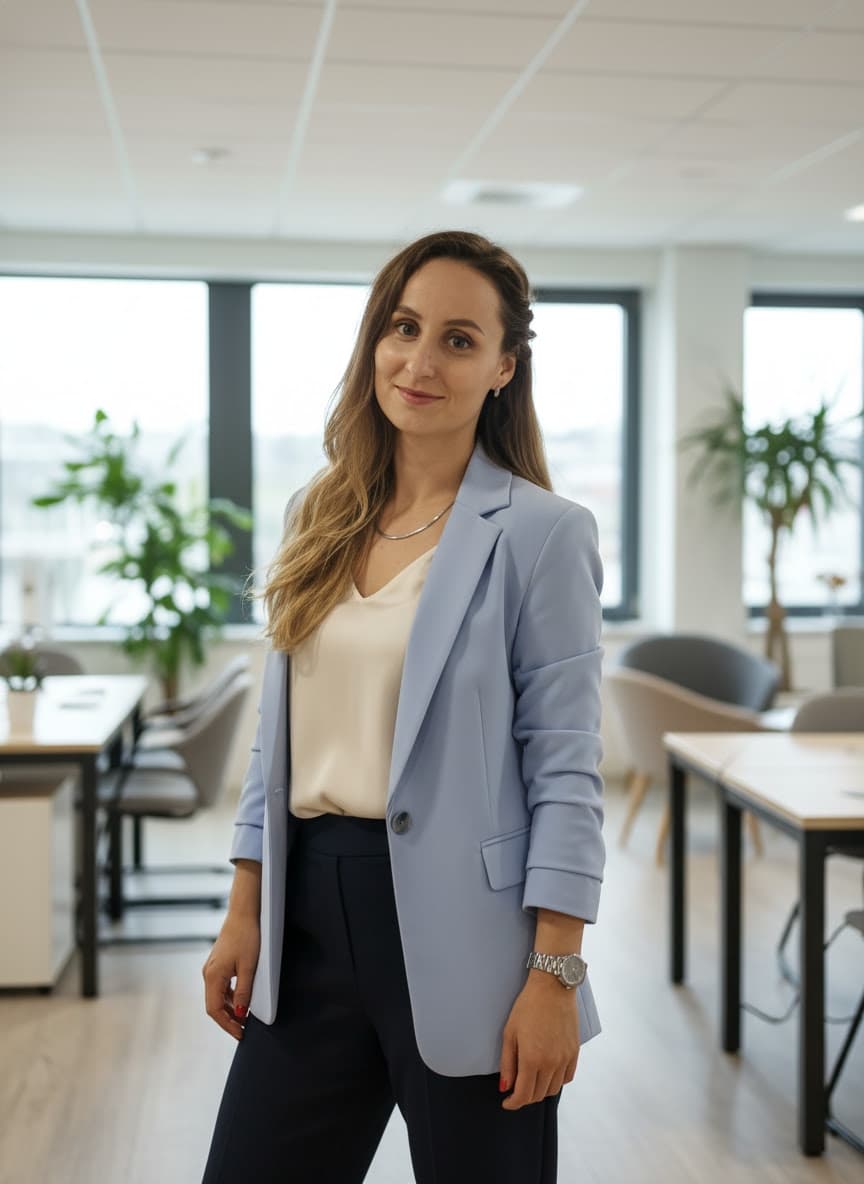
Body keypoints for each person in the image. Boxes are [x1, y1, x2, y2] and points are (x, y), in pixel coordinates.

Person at [201, 229, 605, 1184]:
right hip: (307, 919)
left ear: (504, 367)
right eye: (404, 327)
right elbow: (279, 742)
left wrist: (555, 972)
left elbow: (566, 768)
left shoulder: (543, 534)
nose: (420, 361)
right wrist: (243, 906)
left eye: (459, 340)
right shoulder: (321, 514)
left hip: (473, 935)